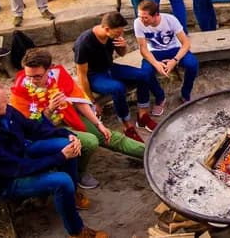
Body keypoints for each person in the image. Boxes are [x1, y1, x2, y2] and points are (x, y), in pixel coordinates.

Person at [0, 84, 107, 238]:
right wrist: (60, 157)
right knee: (62, 181)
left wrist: (66, 134)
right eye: (3, 101)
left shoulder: (4, 112)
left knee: (67, 145)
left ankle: (71, 195)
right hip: (5, 180)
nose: (7, 102)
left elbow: (32, 128)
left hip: (21, 154)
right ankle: (77, 232)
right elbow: (19, 168)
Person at [10, 49, 145, 190]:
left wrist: (98, 124)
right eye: (29, 76)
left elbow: (78, 100)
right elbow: (31, 129)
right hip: (48, 130)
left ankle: (150, 153)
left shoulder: (58, 75)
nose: (32, 80)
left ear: (49, 69)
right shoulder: (19, 93)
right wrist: (49, 109)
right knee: (90, 142)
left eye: (37, 76)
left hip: (68, 116)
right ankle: (80, 173)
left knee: (109, 136)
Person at [75, 11, 158, 142]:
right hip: (94, 76)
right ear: (107, 29)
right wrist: (92, 101)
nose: (120, 34)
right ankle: (127, 126)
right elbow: (81, 74)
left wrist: (123, 46)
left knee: (144, 74)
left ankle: (143, 115)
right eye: (118, 32)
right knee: (118, 88)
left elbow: (122, 54)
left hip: (110, 68)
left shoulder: (112, 34)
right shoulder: (84, 43)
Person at [135, 0, 199, 105]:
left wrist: (174, 61)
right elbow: (143, 49)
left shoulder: (170, 20)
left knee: (192, 64)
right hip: (154, 52)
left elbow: (186, 44)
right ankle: (159, 97)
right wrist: (156, 64)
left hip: (174, 49)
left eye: (145, 18)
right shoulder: (138, 23)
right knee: (146, 72)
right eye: (140, 16)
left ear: (156, 15)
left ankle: (186, 94)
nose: (142, 20)